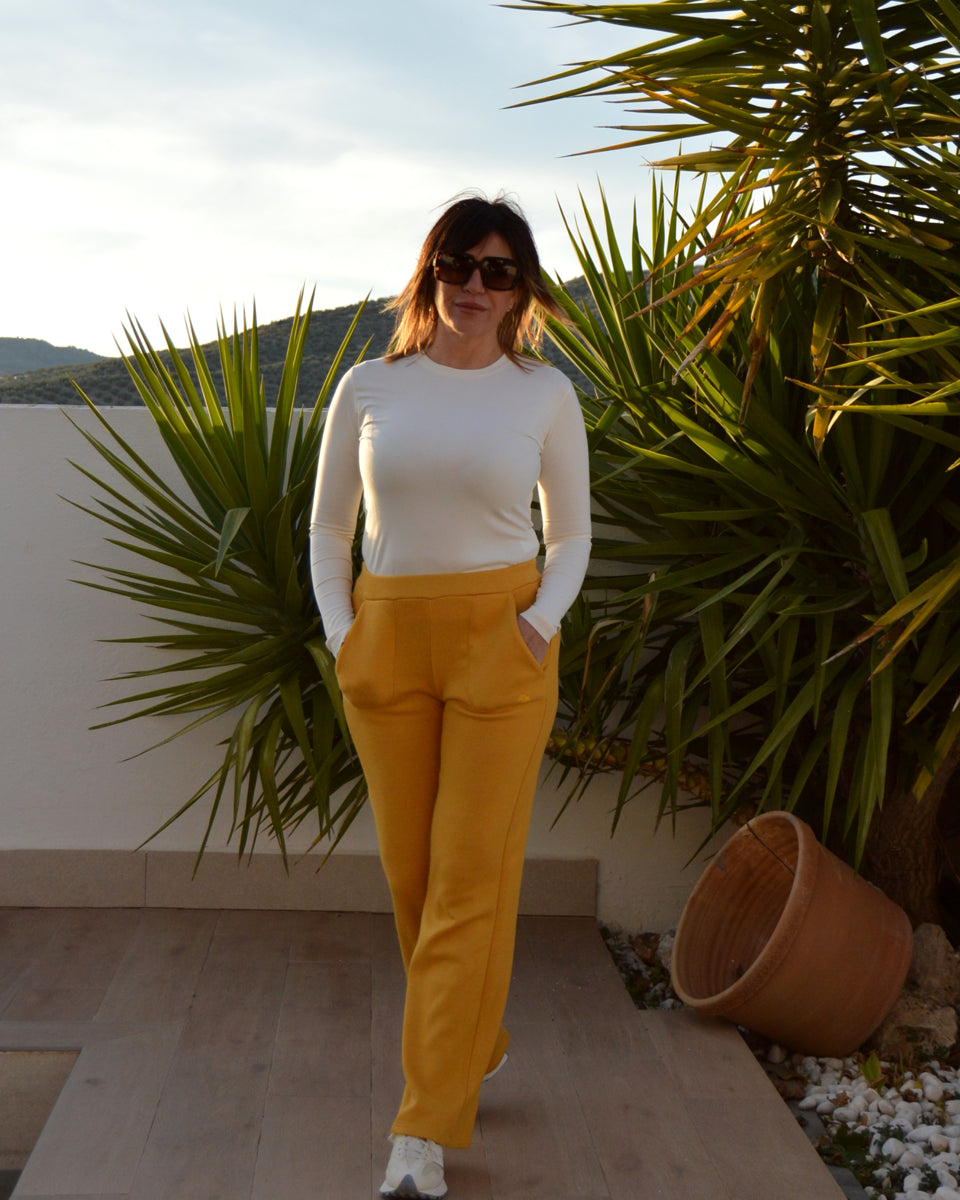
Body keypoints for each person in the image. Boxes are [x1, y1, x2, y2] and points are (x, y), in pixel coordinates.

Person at [309, 193, 591, 1200]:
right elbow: (327, 528)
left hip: (501, 644)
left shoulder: (544, 395)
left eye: (498, 270)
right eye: (458, 265)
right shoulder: (367, 387)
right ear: (430, 273)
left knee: (470, 876)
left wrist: (536, 625)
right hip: (386, 638)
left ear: (521, 290)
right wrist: (345, 633)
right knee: (413, 876)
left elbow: (570, 535)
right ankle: (475, 1038)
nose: (475, 285)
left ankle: (420, 1132)